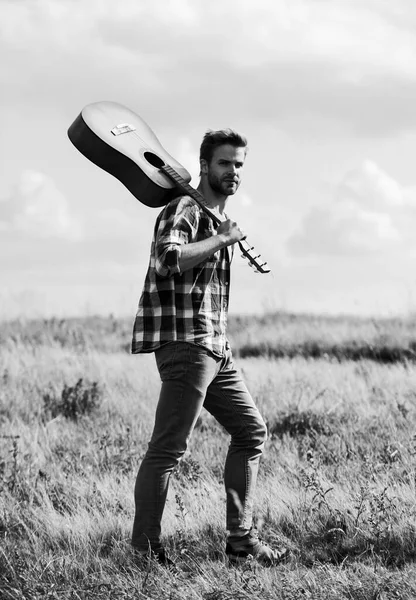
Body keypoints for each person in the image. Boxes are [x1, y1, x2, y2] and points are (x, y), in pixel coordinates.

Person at [131, 129, 286, 566]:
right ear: (203, 166)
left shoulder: (218, 218)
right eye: (224, 163)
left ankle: (241, 542)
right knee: (168, 449)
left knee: (251, 430)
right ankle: (144, 550)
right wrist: (221, 239)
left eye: (239, 164)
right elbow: (168, 259)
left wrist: (223, 234)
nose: (233, 172)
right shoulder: (184, 207)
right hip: (186, 344)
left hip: (216, 347)